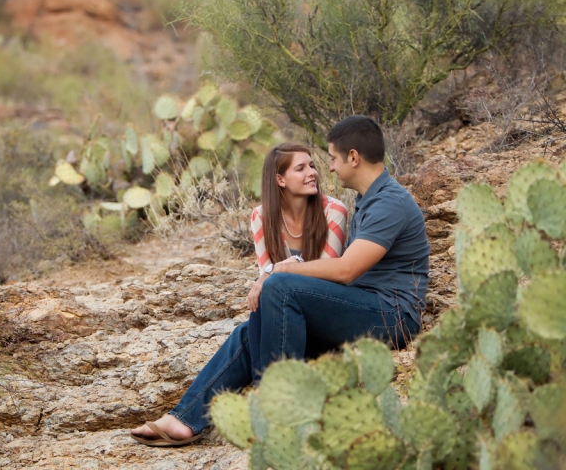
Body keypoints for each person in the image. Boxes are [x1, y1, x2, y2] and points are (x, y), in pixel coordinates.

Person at [130, 116, 430, 446]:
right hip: (364, 307)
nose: (329, 168)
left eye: (332, 158)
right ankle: (185, 419)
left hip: (392, 316)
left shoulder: (389, 202)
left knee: (279, 287)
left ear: (353, 158)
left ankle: (273, 411)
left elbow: (346, 270)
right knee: (251, 332)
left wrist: (281, 270)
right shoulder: (370, 199)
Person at [129, 142, 348, 447]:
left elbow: (326, 273)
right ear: (280, 179)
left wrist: (277, 270)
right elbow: (265, 280)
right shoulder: (262, 217)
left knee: (249, 328)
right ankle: (194, 418)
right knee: (259, 309)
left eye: (312, 165)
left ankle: (196, 417)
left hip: (324, 319)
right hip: (286, 322)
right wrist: (272, 274)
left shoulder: (333, 211)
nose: (312, 172)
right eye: (301, 168)